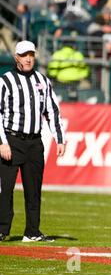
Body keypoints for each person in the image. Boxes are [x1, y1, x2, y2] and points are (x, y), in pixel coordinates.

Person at [0, 41, 66, 242]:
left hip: (34, 142)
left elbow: (52, 111)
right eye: (24, 55)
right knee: (5, 188)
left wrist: (60, 139)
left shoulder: (42, 81)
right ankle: (2, 230)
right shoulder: (5, 81)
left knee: (33, 189)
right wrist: (2, 142)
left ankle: (32, 231)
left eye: (31, 54)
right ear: (16, 57)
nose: (28, 58)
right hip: (11, 139)